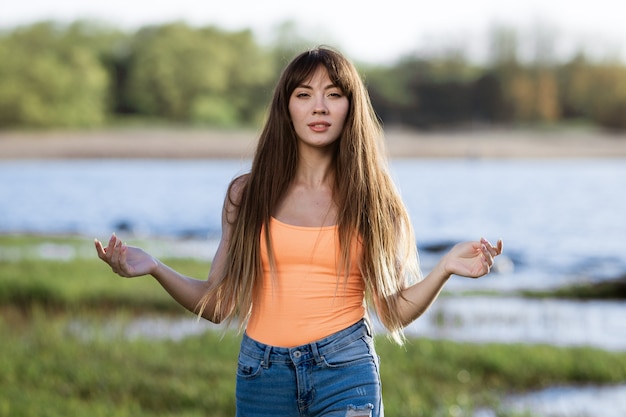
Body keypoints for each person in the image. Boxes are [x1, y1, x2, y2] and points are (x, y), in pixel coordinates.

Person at [95, 46, 503, 417]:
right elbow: (219, 305)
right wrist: (154, 267)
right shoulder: (247, 194)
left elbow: (392, 311)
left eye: (334, 94)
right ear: (287, 108)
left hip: (346, 369)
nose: (319, 107)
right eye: (304, 94)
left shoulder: (375, 199)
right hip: (262, 375)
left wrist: (445, 268)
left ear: (350, 107)